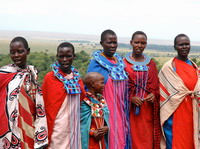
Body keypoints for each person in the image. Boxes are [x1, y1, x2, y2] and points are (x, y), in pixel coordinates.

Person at [0, 37, 48, 149]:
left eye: (20, 51)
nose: (16, 55)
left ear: (28, 51)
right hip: (7, 127)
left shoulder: (32, 75)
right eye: (13, 52)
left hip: (28, 126)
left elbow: (39, 105)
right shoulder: (3, 74)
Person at [87, 29, 130, 149]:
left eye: (115, 43)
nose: (112, 46)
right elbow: (90, 91)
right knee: (108, 141)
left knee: (121, 138)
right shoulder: (95, 64)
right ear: (102, 43)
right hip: (104, 111)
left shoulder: (120, 63)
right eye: (109, 42)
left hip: (121, 110)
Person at [159, 34, 200, 149]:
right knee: (175, 143)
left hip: (192, 112)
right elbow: (164, 94)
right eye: (181, 44)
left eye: (187, 44)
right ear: (175, 47)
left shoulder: (194, 66)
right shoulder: (169, 68)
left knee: (191, 140)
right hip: (174, 114)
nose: (184, 47)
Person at [42, 42, 85, 149]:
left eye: (68, 56)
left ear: (74, 57)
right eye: (61, 56)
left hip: (74, 126)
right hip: (57, 127)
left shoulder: (77, 78)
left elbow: (82, 98)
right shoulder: (50, 78)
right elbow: (44, 105)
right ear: (57, 57)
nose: (65, 59)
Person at [123, 31, 160, 149]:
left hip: (147, 110)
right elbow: (118, 89)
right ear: (131, 43)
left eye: (143, 43)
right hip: (130, 111)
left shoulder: (151, 64)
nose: (139, 45)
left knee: (147, 139)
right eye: (137, 42)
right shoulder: (123, 64)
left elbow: (156, 87)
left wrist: (154, 95)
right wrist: (130, 98)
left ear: (146, 44)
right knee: (132, 138)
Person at [80, 72, 109, 149]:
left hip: (102, 140)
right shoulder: (84, 101)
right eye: (102, 83)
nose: (104, 85)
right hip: (90, 140)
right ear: (93, 83)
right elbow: (80, 124)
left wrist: (107, 127)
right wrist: (92, 132)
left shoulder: (101, 99)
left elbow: (107, 118)